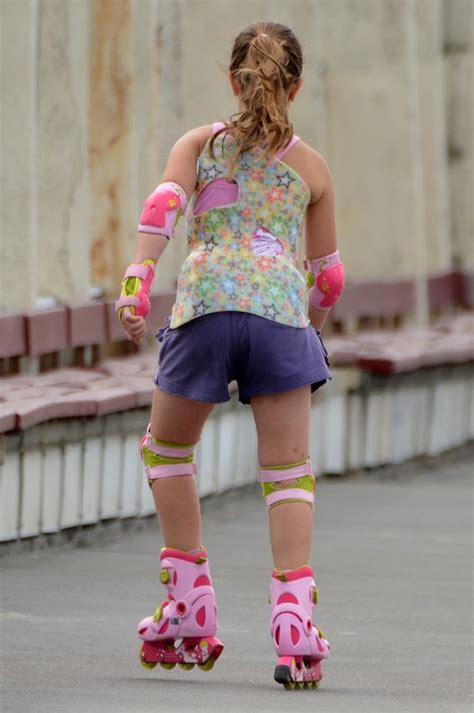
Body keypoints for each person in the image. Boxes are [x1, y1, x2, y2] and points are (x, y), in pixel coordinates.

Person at [115, 21, 344, 689]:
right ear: (295, 86)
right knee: (287, 473)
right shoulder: (312, 168)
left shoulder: (199, 144)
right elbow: (328, 276)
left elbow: (164, 206)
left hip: (205, 311)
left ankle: (187, 599)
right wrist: (311, 324)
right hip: (279, 318)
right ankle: (295, 621)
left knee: (166, 451)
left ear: (232, 80)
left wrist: (137, 279)